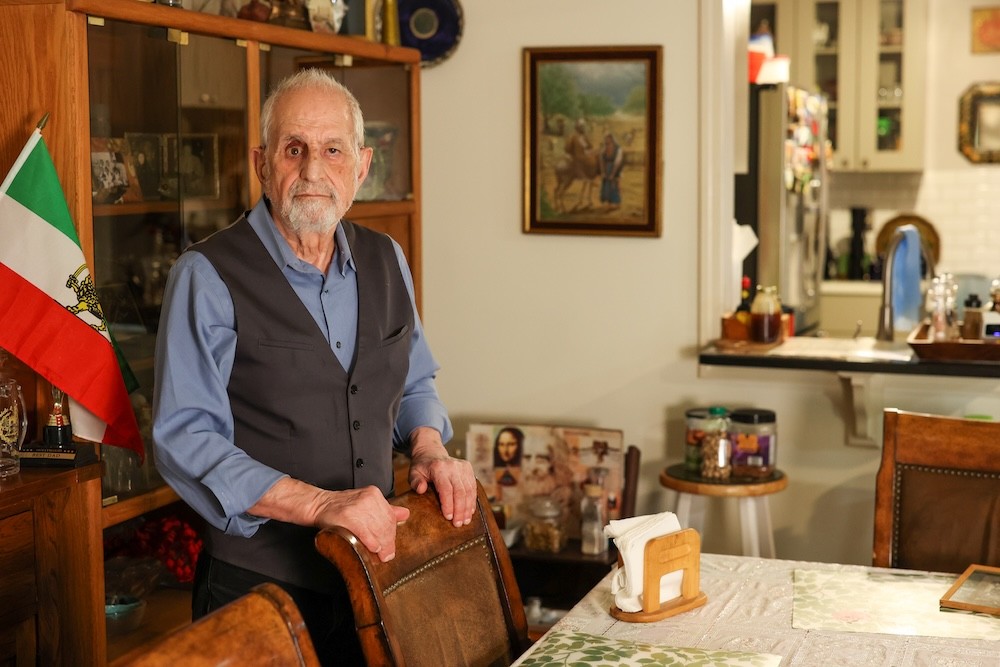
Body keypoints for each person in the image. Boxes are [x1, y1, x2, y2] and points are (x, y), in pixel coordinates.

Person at [151, 68, 476, 666]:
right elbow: (184, 438)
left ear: (361, 166)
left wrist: (430, 447)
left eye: (332, 150)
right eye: (293, 149)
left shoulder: (388, 259)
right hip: (258, 589)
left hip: (373, 574)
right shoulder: (206, 276)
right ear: (261, 163)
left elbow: (411, 381)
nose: (312, 171)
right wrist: (321, 505)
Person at [599, 132, 624, 210]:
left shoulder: (618, 149)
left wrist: (613, 174)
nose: (607, 144)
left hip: (615, 169)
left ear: (612, 141)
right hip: (607, 169)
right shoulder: (604, 149)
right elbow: (601, 159)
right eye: (606, 142)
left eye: (608, 142)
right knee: (606, 185)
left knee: (614, 185)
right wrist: (603, 172)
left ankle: (616, 203)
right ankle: (609, 202)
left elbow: (617, 162)